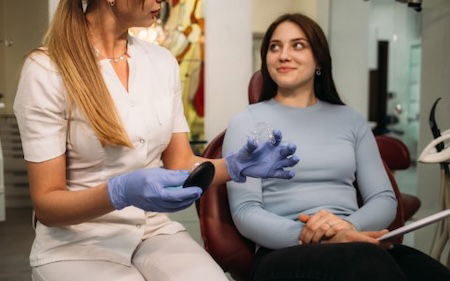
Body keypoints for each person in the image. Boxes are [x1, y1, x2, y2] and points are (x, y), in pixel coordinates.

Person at [13, 1, 299, 281]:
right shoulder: (47, 70)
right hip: (76, 242)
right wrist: (118, 192)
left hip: (151, 230)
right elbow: (47, 205)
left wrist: (235, 167)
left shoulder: (161, 63)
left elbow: (182, 164)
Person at [223, 13, 450, 281]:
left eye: (298, 45)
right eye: (275, 46)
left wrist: (347, 228)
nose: (283, 55)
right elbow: (245, 211)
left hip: (353, 239)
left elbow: (384, 199)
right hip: (283, 250)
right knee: (369, 265)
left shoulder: (350, 119)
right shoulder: (247, 122)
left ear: (319, 59)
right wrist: (317, 237)